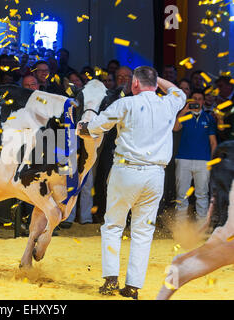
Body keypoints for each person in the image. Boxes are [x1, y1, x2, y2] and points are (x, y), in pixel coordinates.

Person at [78, 66, 186, 299]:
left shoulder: (125, 104)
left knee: (113, 226)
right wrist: (158, 80)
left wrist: (82, 129)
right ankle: (133, 287)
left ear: (135, 84)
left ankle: (110, 281)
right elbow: (178, 92)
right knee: (143, 231)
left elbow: (95, 128)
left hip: (126, 172)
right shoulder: (168, 103)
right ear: (156, 84)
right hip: (156, 175)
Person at [173, 90, 217, 225]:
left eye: (200, 99)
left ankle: (201, 229)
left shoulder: (209, 118)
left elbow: (213, 142)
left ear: (203, 101)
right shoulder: (185, 116)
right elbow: (175, 128)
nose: (197, 101)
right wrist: (184, 111)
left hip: (203, 161)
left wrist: (212, 162)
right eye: (194, 98)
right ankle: (180, 229)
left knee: (202, 195)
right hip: (183, 159)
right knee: (181, 195)